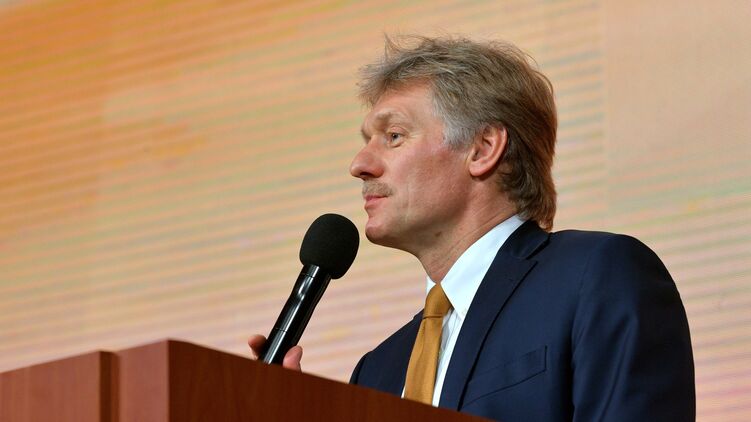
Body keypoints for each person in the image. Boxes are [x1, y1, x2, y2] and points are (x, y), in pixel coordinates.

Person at [250, 35, 695, 421]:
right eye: (367, 141)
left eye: (394, 136)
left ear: (482, 149)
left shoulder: (596, 276)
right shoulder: (377, 371)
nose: (360, 164)